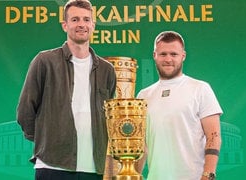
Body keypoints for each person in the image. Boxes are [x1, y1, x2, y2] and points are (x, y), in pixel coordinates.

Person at [16, 0, 116, 179]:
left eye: (86, 20)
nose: (81, 25)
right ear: (65, 25)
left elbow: (109, 117)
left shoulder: (107, 70)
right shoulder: (44, 61)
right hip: (52, 166)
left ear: (93, 25)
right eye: (75, 19)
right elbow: (25, 111)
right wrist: (47, 141)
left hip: (94, 169)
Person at [137, 31, 223, 180]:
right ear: (154, 55)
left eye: (174, 54)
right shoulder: (143, 96)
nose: (168, 59)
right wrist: (134, 175)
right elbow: (141, 144)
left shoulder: (200, 88)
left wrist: (208, 175)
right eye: (163, 54)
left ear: (183, 56)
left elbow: (214, 136)